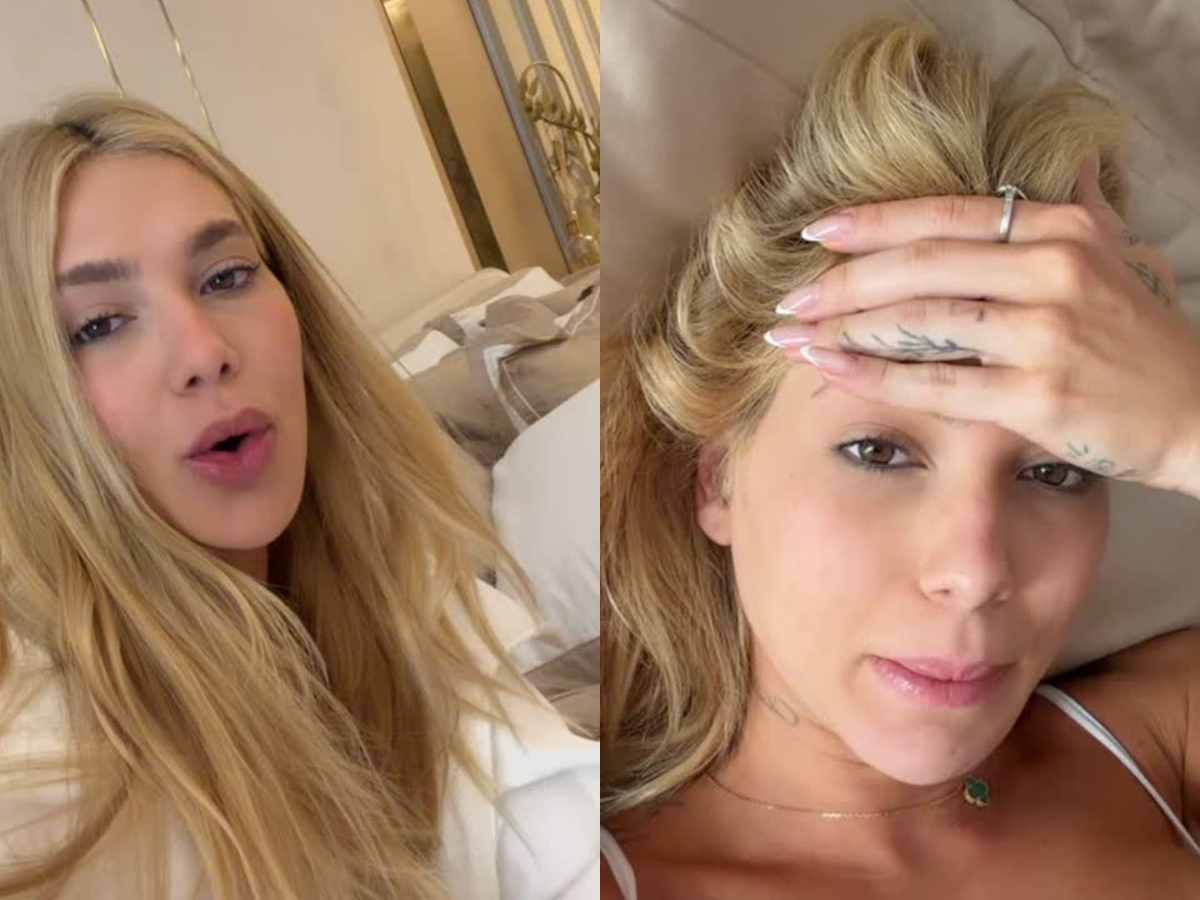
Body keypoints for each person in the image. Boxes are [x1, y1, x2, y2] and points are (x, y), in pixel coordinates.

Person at [600, 19, 1200, 898]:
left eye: (1055, 472)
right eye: (877, 451)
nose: (975, 573)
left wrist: (1188, 423)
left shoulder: (1157, 740)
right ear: (717, 477)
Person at [0, 92, 597, 899]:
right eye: (99, 325)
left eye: (227, 276)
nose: (205, 353)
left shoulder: (398, 589)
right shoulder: (50, 772)